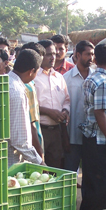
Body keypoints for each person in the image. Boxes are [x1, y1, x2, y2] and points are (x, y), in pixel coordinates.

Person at [77, 44, 106, 210]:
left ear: (94, 59)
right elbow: (100, 112)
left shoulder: (92, 78)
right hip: (99, 140)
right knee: (102, 185)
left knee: (91, 182)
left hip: (91, 138)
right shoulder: (103, 82)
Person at [35, 39, 71, 168]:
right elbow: (28, 106)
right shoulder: (33, 77)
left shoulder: (59, 77)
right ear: (40, 55)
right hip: (39, 130)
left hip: (56, 130)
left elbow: (66, 100)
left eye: (54, 54)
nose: (52, 58)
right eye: (49, 54)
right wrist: (49, 112)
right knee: (39, 168)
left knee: (55, 168)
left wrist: (65, 112)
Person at [8, 49, 44, 167]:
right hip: (10, 160)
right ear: (31, 71)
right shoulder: (16, 91)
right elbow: (20, 142)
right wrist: (40, 162)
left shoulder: (5, 81)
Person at [63, 40, 95, 173]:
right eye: (87, 54)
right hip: (73, 135)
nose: (91, 58)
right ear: (77, 55)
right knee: (69, 172)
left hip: (91, 136)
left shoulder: (96, 77)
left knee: (90, 174)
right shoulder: (66, 78)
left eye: (92, 54)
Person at [20, 42, 46, 162]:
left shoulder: (28, 83)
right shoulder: (25, 87)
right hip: (30, 147)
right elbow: (31, 125)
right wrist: (40, 158)